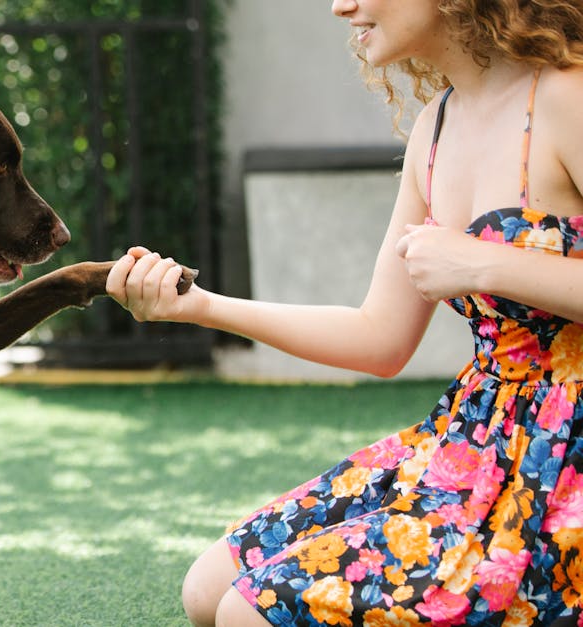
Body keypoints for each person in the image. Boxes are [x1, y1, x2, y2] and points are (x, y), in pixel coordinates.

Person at [105, 0, 583, 625]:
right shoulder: (435, 130)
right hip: (480, 438)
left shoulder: (565, 98)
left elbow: (474, 269)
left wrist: (485, 266)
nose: (340, 5)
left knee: (248, 615)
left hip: (563, 457)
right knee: (208, 591)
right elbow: (378, 337)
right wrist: (200, 306)